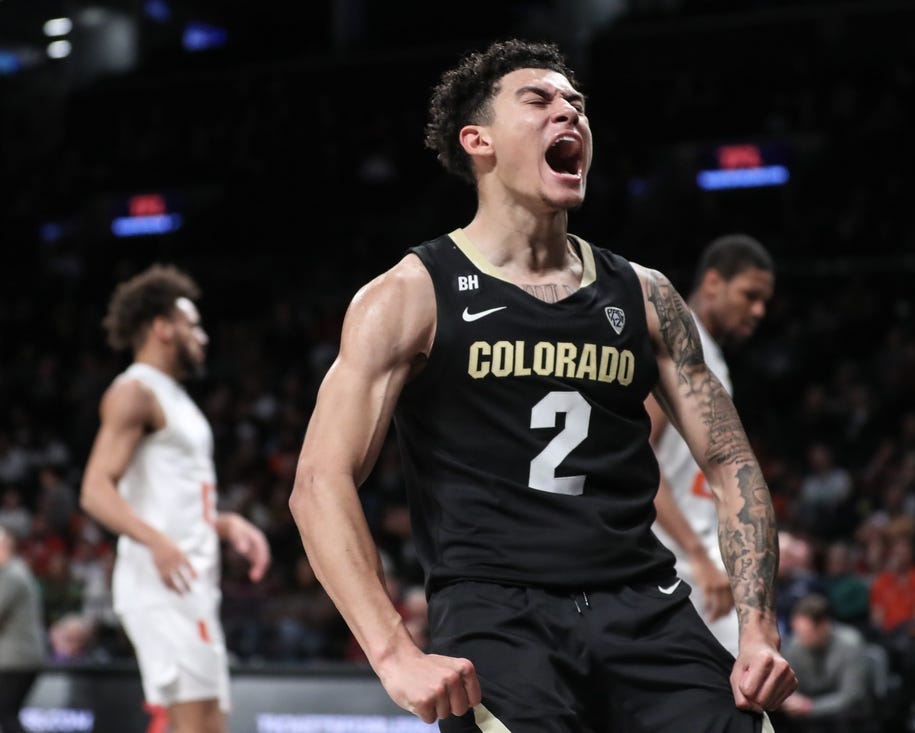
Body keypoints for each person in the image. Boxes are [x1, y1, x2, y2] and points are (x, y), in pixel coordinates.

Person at [290, 39, 795, 732]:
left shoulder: (646, 294)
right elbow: (319, 481)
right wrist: (393, 652)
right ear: (479, 140)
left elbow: (732, 461)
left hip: (643, 602)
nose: (571, 113)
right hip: (498, 615)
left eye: (577, 104)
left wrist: (758, 628)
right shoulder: (410, 295)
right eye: (541, 100)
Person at [80, 265, 270, 733]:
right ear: (162, 327)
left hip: (192, 584)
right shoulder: (134, 391)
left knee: (207, 723)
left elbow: (175, 493)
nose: (202, 336)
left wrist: (224, 525)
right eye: (192, 324)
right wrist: (158, 542)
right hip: (162, 587)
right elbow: (95, 490)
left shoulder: (175, 398)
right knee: (199, 726)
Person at [645, 233, 774, 657]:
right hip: (674, 564)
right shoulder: (674, 345)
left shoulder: (707, 355)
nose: (759, 311)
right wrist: (698, 555)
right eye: (750, 295)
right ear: (714, 283)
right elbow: (639, 456)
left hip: (698, 564)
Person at [775, 594, 868, 733]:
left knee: (846, 717)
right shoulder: (794, 646)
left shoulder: (850, 644)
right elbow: (791, 688)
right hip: (805, 715)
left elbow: (851, 696)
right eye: (798, 632)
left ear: (824, 625)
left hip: (840, 715)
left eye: (806, 633)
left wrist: (810, 707)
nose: (801, 639)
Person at [0, 525, 46, 733]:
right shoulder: (15, 571)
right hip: (20, 658)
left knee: (6, 713)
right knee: (7, 713)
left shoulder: (12, 576)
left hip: (16, 660)